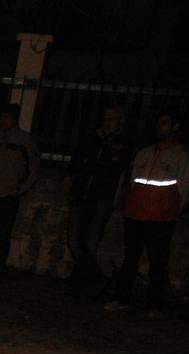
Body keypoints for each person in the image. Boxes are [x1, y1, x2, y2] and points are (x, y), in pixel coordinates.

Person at [107, 110, 189, 315]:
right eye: (159, 123)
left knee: (157, 262)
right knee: (130, 259)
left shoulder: (184, 158)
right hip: (135, 215)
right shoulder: (145, 153)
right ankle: (122, 298)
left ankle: (154, 304)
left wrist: (173, 209)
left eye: (165, 123)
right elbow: (132, 181)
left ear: (175, 127)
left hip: (161, 219)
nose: (160, 127)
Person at [65, 104, 132, 283]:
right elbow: (75, 165)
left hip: (101, 199)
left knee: (90, 242)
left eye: (111, 119)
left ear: (120, 121)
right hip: (81, 196)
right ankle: (91, 275)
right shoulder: (90, 140)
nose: (107, 123)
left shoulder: (124, 144)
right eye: (105, 119)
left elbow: (119, 170)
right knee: (73, 241)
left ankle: (85, 278)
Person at [0, 104, 39, 271]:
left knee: (2, 232)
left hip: (8, 194)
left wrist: (19, 188)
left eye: (7, 117)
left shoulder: (24, 140)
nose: (3, 120)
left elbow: (33, 169)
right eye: (1, 117)